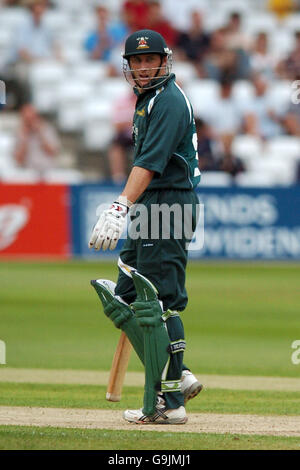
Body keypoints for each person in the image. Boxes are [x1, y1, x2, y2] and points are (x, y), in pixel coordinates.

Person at [89, 29, 203, 424]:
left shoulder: (169, 101)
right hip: (152, 206)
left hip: (168, 204)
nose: (142, 67)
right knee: (126, 296)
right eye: (135, 61)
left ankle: (169, 400)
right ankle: (178, 371)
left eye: (149, 59)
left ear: (163, 61)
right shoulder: (146, 101)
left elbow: (150, 163)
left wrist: (120, 206)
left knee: (159, 301)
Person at [14, 103, 60, 172]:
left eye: (32, 118)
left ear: (37, 117)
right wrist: (24, 139)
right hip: (27, 172)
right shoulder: (19, 133)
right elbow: (18, 159)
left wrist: (41, 134)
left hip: (48, 171)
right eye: (27, 120)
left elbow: (53, 152)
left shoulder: (47, 129)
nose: (30, 122)